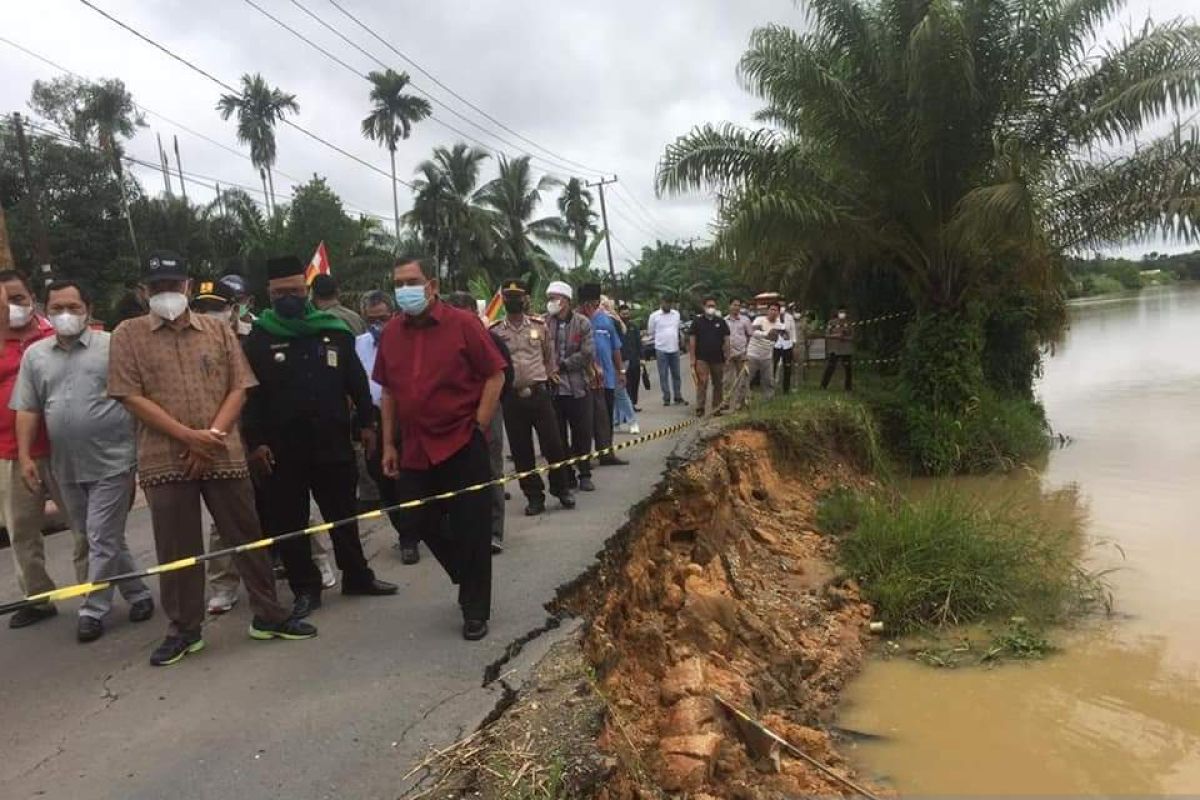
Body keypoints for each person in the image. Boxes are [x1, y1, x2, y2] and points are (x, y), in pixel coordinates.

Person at [108, 250, 315, 666]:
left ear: (187, 286)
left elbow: (239, 386)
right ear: (143, 291)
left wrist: (213, 436)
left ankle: (269, 615)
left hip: (222, 452)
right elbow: (128, 394)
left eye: (174, 285)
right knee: (177, 549)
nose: (167, 293)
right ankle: (184, 630)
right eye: (158, 287)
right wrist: (190, 438)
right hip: (165, 459)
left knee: (248, 536)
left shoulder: (216, 331)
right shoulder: (127, 336)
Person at [242, 255, 397, 619]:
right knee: (290, 523)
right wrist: (255, 442)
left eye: (295, 290)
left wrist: (367, 425)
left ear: (306, 289)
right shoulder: (259, 337)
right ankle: (305, 588)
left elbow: (357, 381)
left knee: (343, 515)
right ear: (269, 293)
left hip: (332, 442)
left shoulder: (333, 330)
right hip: (280, 450)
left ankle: (357, 576)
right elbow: (249, 395)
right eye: (281, 292)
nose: (289, 297)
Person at [11, 280, 154, 642]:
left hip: (114, 460)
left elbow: (137, 395)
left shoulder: (113, 346)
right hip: (65, 466)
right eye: (57, 308)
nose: (65, 315)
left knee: (99, 537)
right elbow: (27, 409)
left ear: (87, 309)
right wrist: (26, 455)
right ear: (46, 309)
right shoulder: (36, 356)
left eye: (72, 307)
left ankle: (93, 609)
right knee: (101, 537)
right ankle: (138, 594)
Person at [376, 254, 506, 641]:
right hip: (415, 446)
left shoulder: (463, 324)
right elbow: (388, 393)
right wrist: (388, 443)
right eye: (398, 283)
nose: (404, 290)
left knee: (473, 527)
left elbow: (495, 376)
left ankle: (475, 608)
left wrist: (479, 425)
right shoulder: (392, 334)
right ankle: (467, 575)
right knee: (416, 520)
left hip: (461, 441)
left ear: (431, 286)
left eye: (411, 282)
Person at [0, 271, 87, 629]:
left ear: (32, 297)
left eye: (18, 298)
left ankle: (93, 591)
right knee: (21, 529)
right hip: (10, 452)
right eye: (5, 302)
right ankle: (37, 598)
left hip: (62, 447)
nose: (12, 307)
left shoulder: (57, 334)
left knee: (82, 523)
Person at [488, 280, 574, 517]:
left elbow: (548, 356)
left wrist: (549, 376)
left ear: (525, 299)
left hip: (539, 393)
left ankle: (561, 488)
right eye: (509, 297)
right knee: (521, 451)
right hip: (512, 398)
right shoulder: (495, 331)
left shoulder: (539, 325)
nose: (514, 301)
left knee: (553, 445)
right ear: (503, 301)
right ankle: (534, 497)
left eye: (518, 296)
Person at [354, 290, 422, 563]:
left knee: (412, 480)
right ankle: (404, 532)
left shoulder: (410, 339)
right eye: (372, 320)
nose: (378, 325)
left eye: (383, 318)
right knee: (384, 481)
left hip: (408, 418)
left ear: (394, 315)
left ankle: (416, 534)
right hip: (374, 419)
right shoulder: (357, 345)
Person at [445, 290, 513, 553]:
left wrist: (489, 409)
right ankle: (462, 530)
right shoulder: (444, 343)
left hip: (488, 412)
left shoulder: (492, 340)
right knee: (456, 474)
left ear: (475, 313)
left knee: (491, 470)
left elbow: (506, 377)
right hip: (454, 414)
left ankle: (494, 532)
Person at [544, 281, 596, 493]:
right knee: (558, 436)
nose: (552, 303)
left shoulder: (582, 323)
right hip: (553, 389)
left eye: (555, 298)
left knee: (582, 433)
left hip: (578, 386)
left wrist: (562, 365)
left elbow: (587, 353)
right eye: (550, 298)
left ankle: (584, 473)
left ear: (566, 301)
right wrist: (549, 368)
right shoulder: (543, 323)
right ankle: (567, 476)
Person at [578, 284, 628, 466]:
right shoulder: (576, 321)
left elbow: (615, 347)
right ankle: (584, 457)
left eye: (594, 302)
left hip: (606, 378)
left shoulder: (606, 321)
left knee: (605, 416)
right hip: (584, 379)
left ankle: (606, 452)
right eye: (587, 303)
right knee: (584, 420)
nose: (591, 306)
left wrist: (620, 371)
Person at [689, 297, 731, 416]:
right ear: (704, 307)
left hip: (718, 358)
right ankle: (700, 407)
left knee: (718, 383)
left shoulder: (721, 321)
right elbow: (692, 340)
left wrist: (728, 355)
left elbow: (726, 339)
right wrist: (693, 358)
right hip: (702, 357)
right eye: (709, 306)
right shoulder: (697, 322)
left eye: (713, 306)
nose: (711, 308)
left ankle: (717, 407)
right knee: (703, 382)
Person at [647, 295, 686, 405]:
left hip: (674, 348)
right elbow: (651, 332)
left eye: (670, 303)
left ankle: (678, 396)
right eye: (666, 302)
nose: (668, 305)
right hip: (661, 349)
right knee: (663, 375)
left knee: (676, 374)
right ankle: (666, 397)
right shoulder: (654, 316)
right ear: (661, 302)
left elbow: (677, 329)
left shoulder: (676, 314)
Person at [747, 301, 784, 403]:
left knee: (768, 380)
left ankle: (769, 400)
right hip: (753, 354)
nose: (773, 312)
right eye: (771, 309)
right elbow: (753, 332)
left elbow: (781, 337)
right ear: (768, 311)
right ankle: (741, 399)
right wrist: (766, 334)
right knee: (747, 378)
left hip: (767, 356)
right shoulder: (760, 320)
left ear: (778, 313)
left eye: (775, 310)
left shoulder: (779, 325)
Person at [612, 303, 640, 434]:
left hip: (621, 359)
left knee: (620, 392)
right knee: (612, 393)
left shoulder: (616, 322)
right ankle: (615, 421)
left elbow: (620, 341)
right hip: (605, 361)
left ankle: (632, 421)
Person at [725, 298, 755, 411]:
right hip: (728, 355)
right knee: (727, 381)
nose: (736, 307)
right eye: (734, 305)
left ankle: (740, 403)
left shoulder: (745, 320)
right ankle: (726, 402)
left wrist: (747, 351)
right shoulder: (724, 321)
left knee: (742, 379)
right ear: (729, 306)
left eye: (738, 305)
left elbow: (750, 336)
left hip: (742, 354)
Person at [617, 304, 643, 412]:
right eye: (623, 314)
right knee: (627, 383)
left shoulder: (634, 326)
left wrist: (642, 358)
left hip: (634, 360)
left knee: (635, 382)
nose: (626, 316)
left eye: (627, 314)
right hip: (623, 360)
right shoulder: (617, 327)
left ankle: (634, 402)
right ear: (619, 314)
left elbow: (639, 343)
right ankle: (629, 405)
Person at [821, 307, 855, 391]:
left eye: (843, 312)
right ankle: (823, 386)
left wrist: (845, 337)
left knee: (848, 369)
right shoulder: (831, 322)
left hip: (846, 349)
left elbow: (853, 336)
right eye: (840, 312)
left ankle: (848, 387)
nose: (842, 314)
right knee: (830, 368)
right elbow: (826, 335)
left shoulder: (849, 323)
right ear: (837, 312)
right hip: (835, 349)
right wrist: (836, 336)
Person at [773, 303, 798, 394]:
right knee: (774, 366)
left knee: (787, 367)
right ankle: (772, 387)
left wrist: (794, 343)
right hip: (776, 345)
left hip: (787, 345)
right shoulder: (774, 317)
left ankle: (786, 389)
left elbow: (793, 330)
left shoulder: (790, 317)